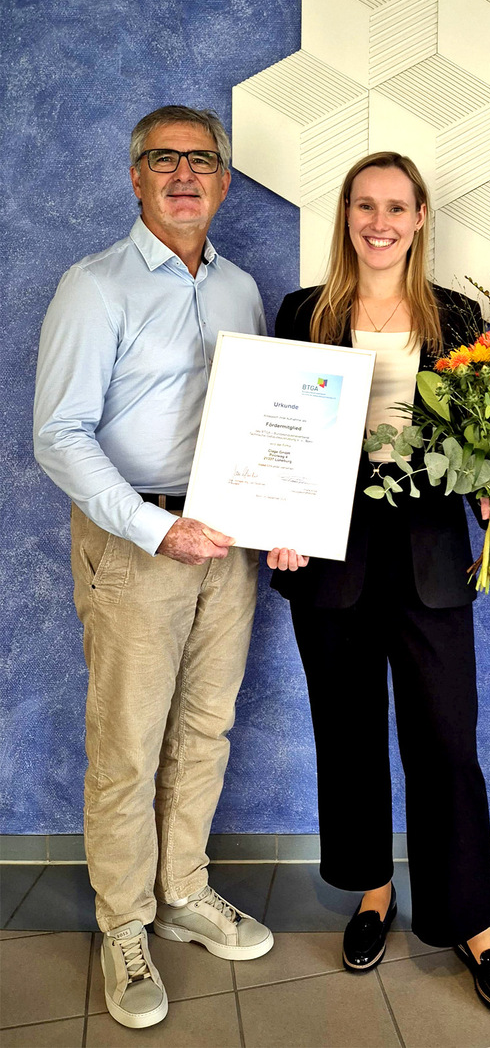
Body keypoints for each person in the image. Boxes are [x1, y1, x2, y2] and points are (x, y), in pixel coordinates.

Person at [33, 106, 305, 1030]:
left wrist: (278, 511)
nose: (185, 174)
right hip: (137, 541)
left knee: (205, 729)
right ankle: (125, 922)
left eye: (202, 160)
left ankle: (184, 889)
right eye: (165, 159)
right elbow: (58, 437)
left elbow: (267, 417)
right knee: (126, 746)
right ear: (136, 177)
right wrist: (157, 533)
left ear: (225, 182)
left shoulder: (239, 287)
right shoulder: (94, 286)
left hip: (226, 543)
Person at [269, 151, 490, 1014]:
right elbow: (280, 433)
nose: (380, 222)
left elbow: (487, 431)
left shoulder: (454, 316)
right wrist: (280, 522)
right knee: (347, 735)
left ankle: (471, 922)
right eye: (364, 206)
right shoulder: (305, 312)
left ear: (421, 218)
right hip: (330, 553)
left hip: (429, 553)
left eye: (397, 207)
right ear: (346, 215)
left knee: (447, 744)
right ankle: (373, 891)